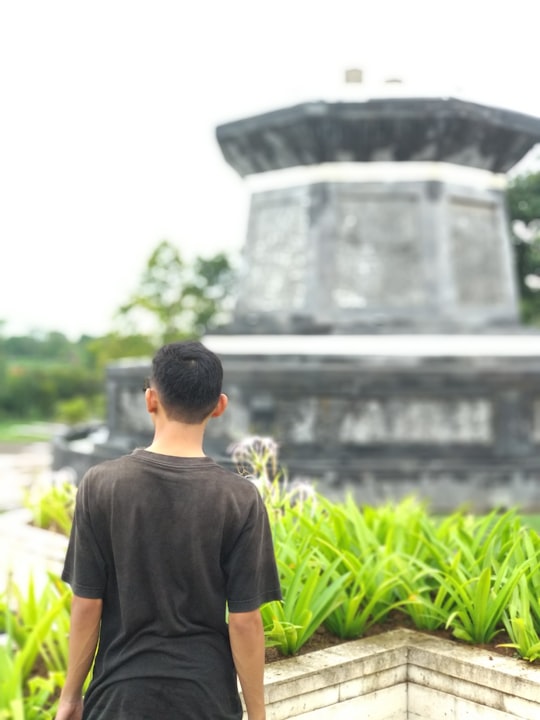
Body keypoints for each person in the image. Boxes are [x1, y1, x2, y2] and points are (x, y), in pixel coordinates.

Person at [54, 340, 282, 720]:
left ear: (150, 399)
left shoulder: (100, 485)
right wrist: (258, 716)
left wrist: (70, 698)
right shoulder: (239, 499)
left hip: (119, 699)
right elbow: (245, 622)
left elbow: (87, 604)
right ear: (219, 406)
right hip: (206, 699)